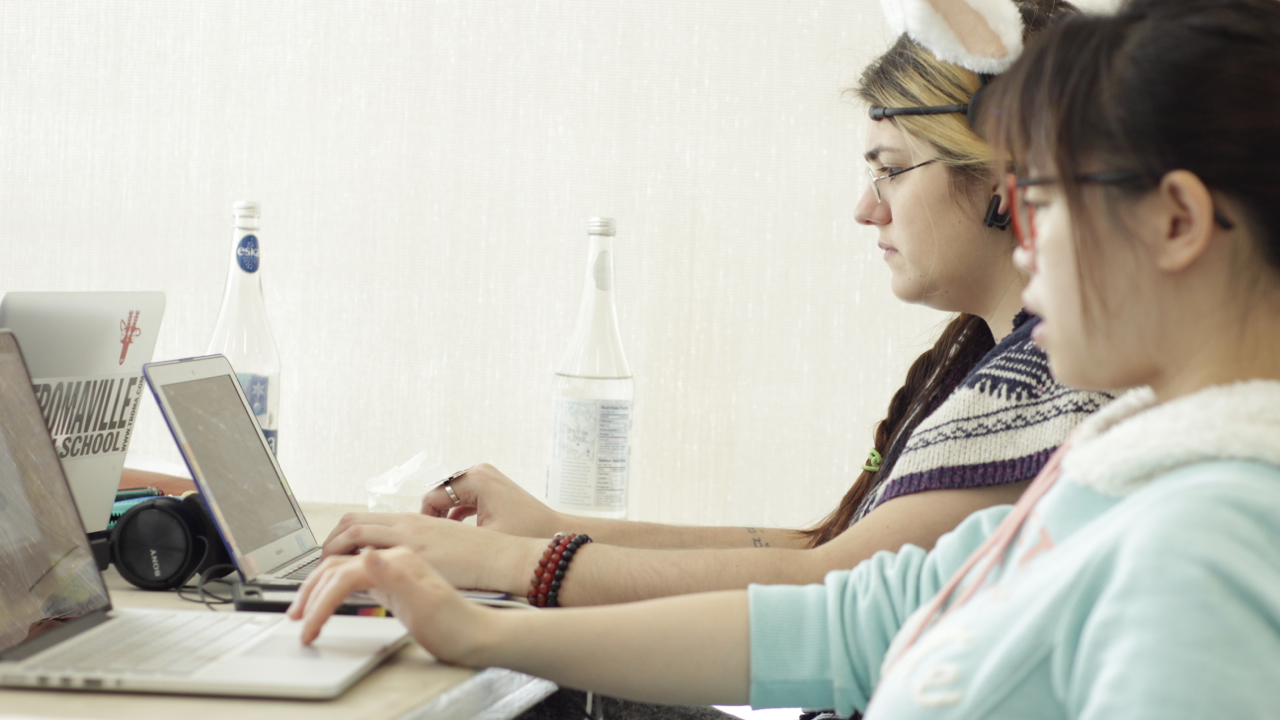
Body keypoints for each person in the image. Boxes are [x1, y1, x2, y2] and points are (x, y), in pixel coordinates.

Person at [291, 0, 1280, 716]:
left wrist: (520, 570)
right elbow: (854, 617)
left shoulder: (1199, 543)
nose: (1024, 244)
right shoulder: (1112, 472)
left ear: (1177, 220)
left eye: (1042, 202)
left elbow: (831, 586)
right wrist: (488, 628)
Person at [318, 0, 1106, 615]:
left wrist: (506, 567)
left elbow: (824, 583)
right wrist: (548, 530)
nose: (866, 210)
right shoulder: (986, 359)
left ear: (1007, 177)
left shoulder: (1043, 389)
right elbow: (819, 545)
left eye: (891, 171)